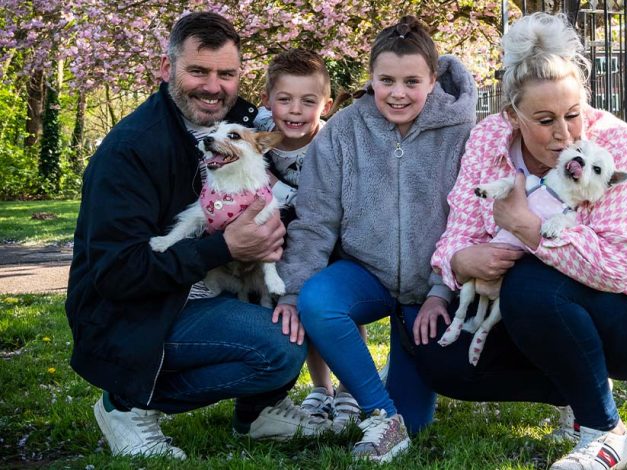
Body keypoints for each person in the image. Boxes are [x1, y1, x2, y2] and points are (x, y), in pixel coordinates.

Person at [409, 12, 627, 470]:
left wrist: (528, 227)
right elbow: (458, 231)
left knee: (529, 284)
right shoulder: (489, 138)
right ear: (512, 114)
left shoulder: (613, 142)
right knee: (439, 359)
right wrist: (463, 259)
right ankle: (580, 383)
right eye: (545, 120)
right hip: (545, 304)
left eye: (573, 115)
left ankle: (604, 433)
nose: (565, 133)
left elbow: (618, 266)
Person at [65, 12, 330, 460]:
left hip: (215, 288)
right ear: (167, 69)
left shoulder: (244, 120)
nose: (213, 87)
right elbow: (116, 273)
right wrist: (222, 247)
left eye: (226, 74)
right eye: (198, 71)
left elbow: (303, 126)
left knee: (301, 310)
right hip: (133, 313)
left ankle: (260, 412)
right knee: (278, 346)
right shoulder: (131, 148)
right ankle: (126, 403)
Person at [274, 16, 477, 462]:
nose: (397, 93)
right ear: (371, 79)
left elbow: (470, 219)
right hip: (365, 273)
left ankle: (402, 405)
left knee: (419, 421)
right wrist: (290, 292)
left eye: (411, 81)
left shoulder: (462, 133)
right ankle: (380, 415)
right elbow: (315, 220)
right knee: (317, 300)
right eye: (386, 80)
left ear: (432, 79)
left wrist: (442, 291)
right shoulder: (345, 131)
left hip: (429, 289)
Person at [254, 48, 364, 428]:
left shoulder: (333, 140)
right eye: (284, 100)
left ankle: (350, 390)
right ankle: (321, 388)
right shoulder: (257, 138)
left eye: (308, 101)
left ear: (327, 104)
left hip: (333, 237)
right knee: (298, 311)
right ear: (268, 101)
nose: (295, 111)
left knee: (334, 307)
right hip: (283, 240)